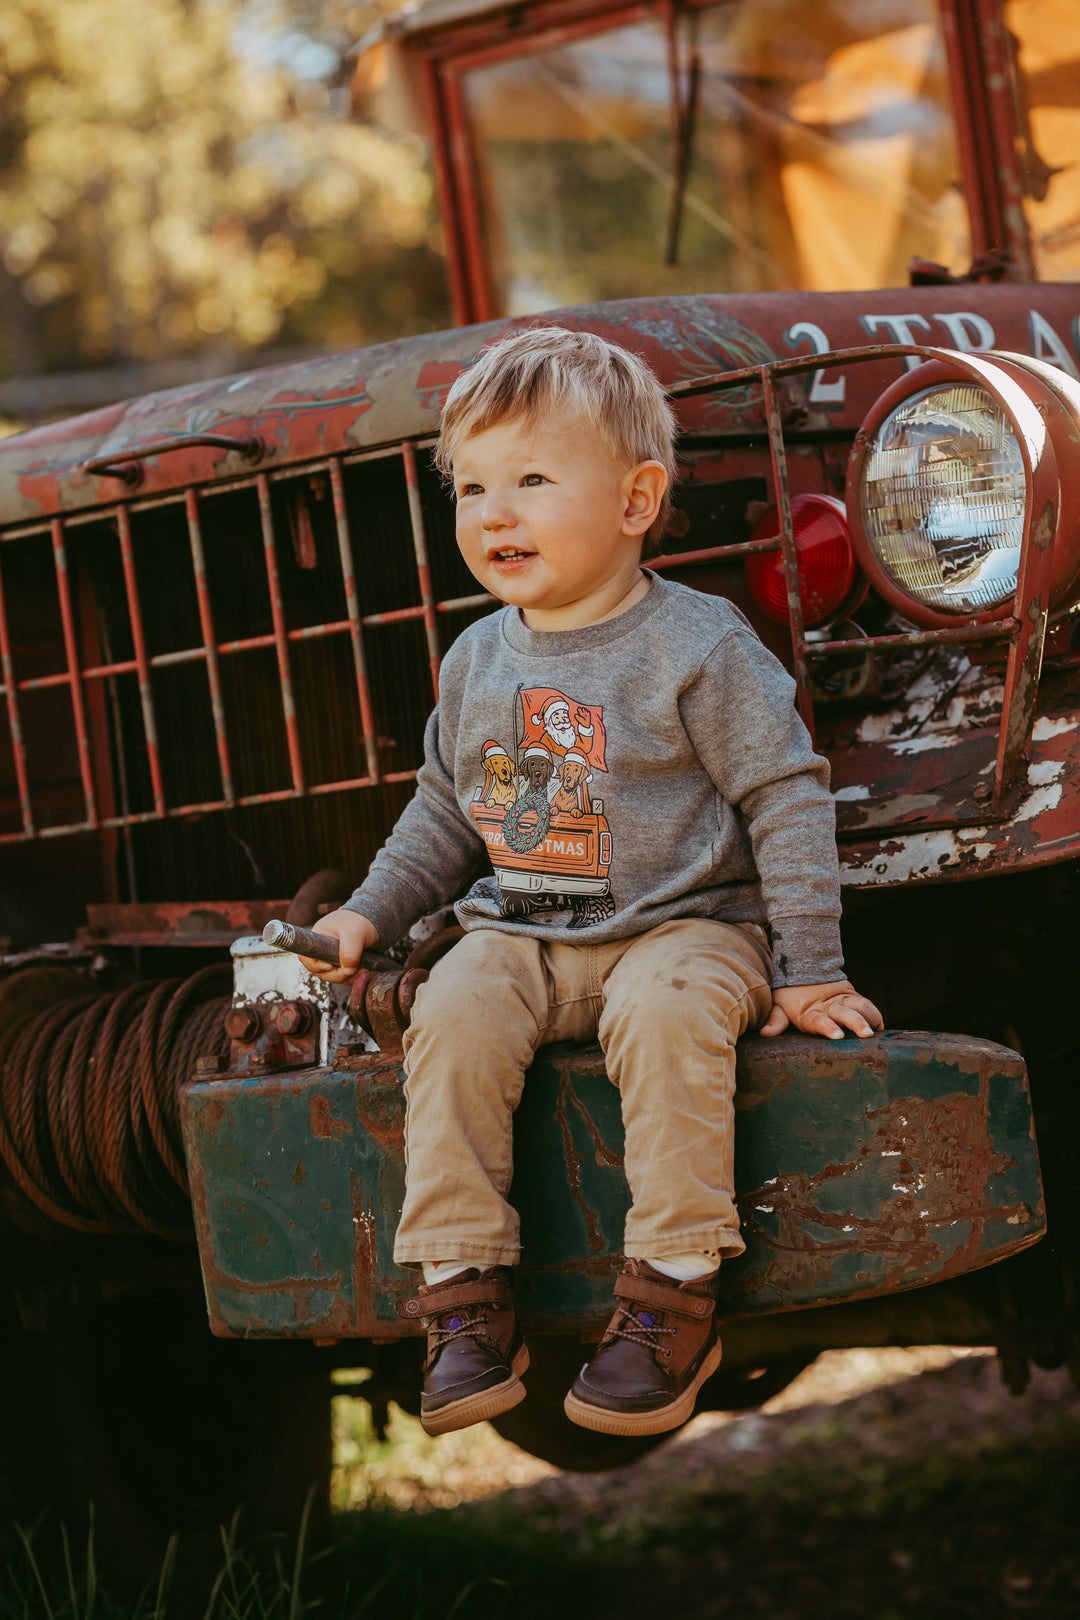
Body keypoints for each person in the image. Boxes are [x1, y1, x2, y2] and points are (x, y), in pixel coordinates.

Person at [301, 326, 884, 1440]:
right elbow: (443, 813)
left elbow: (787, 796)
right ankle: (465, 1296)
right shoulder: (478, 659)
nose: (494, 514)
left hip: (687, 927)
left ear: (633, 502)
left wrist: (809, 971)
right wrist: (367, 913)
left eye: (530, 479)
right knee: (454, 1008)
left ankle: (671, 1296)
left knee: (669, 1017)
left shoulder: (696, 644)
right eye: (471, 487)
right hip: (530, 930)